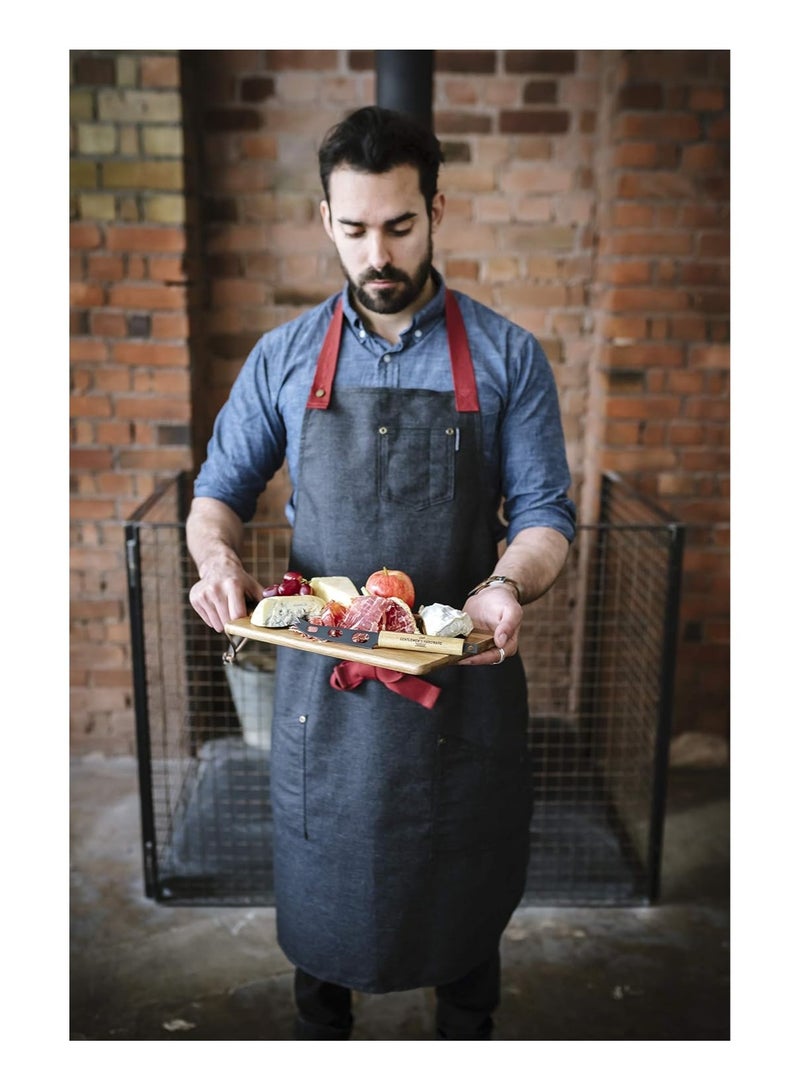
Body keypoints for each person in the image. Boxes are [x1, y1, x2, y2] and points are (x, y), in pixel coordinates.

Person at [187, 105, 576, 1040]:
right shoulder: (283, 359)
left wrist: (506, 586)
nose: (378, 254)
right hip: (326, 700)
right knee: (324, 921)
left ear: (436, 209)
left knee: (464, 906)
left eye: (400, 226)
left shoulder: (507, 355)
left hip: (461, 685)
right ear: (326, 220)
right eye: (355, 229)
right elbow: (215, 498)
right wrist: (216, 561)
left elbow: (545, 517)